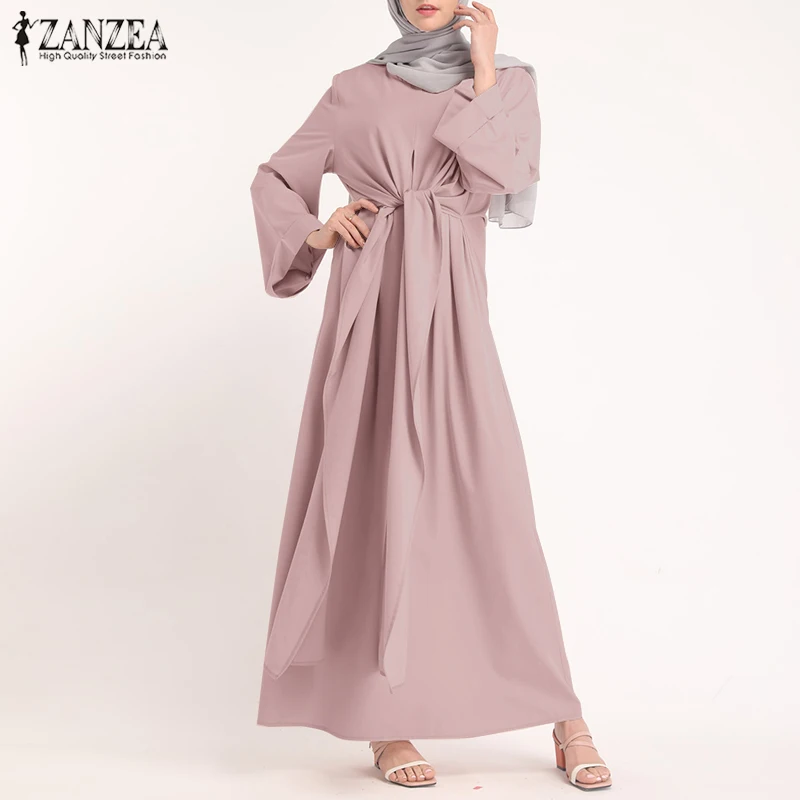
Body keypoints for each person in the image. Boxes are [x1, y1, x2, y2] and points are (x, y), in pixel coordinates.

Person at [249, 0, 612, 791]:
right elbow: (277, 176)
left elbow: (508, 177)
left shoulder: (506, 81)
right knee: (373, 499)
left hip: (452, 309)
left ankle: (565, 713)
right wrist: (318, 229)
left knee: (492, 503)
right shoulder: (353, 87)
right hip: (371, 313)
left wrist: (482, 68)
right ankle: (385, 720)